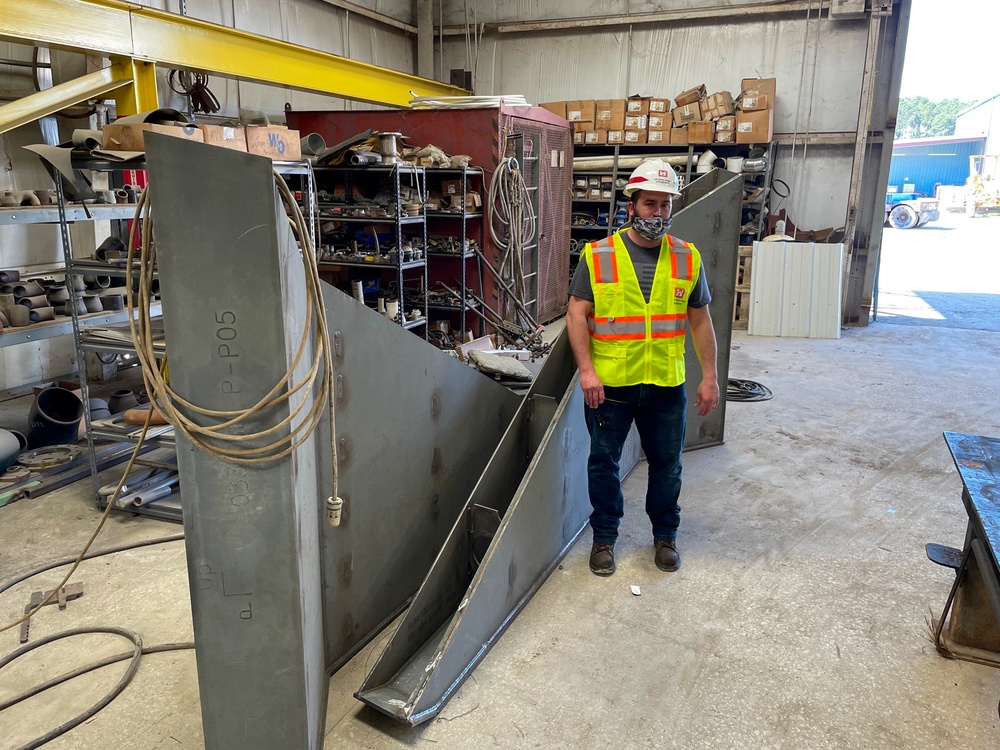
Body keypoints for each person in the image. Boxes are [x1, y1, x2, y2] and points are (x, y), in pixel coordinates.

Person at [565, 159, 720, 576]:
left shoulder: (687, 257)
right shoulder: (597, 255)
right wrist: (586, 370)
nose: (658, 213)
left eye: (665, 205)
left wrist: (710, 377)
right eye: (649, 203)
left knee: (668, 466)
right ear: (631, 206)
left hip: (666, 384)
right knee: (603, 464)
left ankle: (665, 536)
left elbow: (700, 320)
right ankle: (604, 539)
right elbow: (576, 313)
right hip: (610, 385)